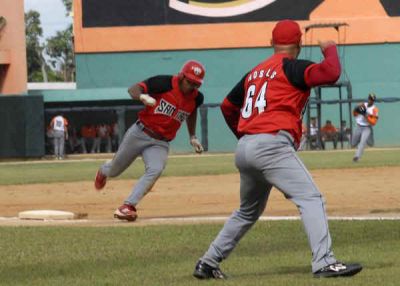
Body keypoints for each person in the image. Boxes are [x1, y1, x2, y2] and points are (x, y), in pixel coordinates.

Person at [193, 20, 362, 280]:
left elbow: (227, 106)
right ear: (299, 43)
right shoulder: (292, 67)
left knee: (247, 211)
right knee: (311, 199)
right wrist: (329, 48)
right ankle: (324, 262)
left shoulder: (254, 72)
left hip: (246, 146)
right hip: (271, 145)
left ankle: (208, 262)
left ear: (271, 43)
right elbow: (331, 73)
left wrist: (246, 135)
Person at [94, 60, 205, 221]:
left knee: (155, 169)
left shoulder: (197, 98)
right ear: (181, 77)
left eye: (196, 84)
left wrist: (192, 136)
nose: (192, 87)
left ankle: (128, 206)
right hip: (140, 132)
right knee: (115, 171)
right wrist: (142, 96)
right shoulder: (164, 83)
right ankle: (103, 171)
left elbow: (192, 111)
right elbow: (133, 89)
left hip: (160, 142)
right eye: (189, 82)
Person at [351, 93, 379, 162]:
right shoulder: (362, 105)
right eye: (370, 99)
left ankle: (357, 157)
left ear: (374, 101)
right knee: (353, 144)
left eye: (372, 100)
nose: (371, 100)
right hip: (358, 126)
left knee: (363, 142)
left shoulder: (374, 110)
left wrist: (366, 116)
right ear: (368, 98)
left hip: (367, 128)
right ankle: (362, 142)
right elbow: (354, 115)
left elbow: (373, 123)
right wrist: (355, 110)